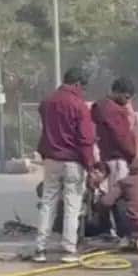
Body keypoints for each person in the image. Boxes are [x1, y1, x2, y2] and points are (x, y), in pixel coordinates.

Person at [34, 67, 97, 264]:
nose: (83, 91)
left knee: (48, 203)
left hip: (51, 159)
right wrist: (90, 166)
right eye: (83, 87)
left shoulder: (47, 102)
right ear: (77, 84)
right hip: (73, 162)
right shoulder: (79, 106)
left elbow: (45, 131)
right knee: (72, 205)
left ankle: (40, 248)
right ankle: (69, 249)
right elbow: (86, 140)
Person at [91, 78, 138, 185]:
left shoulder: (100, 105)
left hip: (104, 158)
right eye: (126, 97)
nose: (127, 101)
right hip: (117, 159)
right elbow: (121, 137)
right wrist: (133, 154)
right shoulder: (114, 110)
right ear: (117, 92)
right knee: (117, 194)